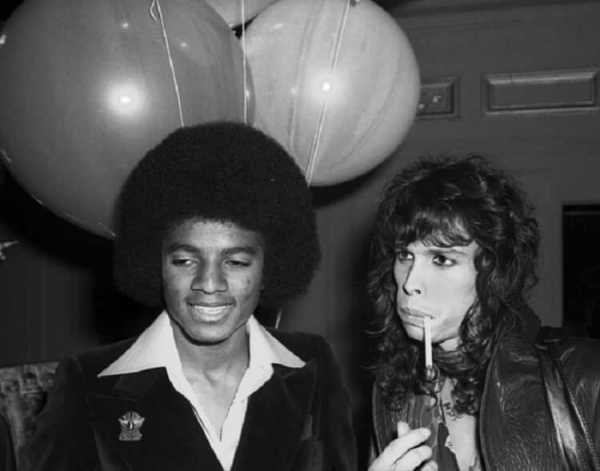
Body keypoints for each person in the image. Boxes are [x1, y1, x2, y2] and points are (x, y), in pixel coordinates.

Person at [23, 122, 357, 471]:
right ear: (154, 263)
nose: (209, 283)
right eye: (185, 260)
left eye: (236, 262)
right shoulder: (86, 385)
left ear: (269, 268)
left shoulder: (313, 366)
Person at [366, 155, 600, 471]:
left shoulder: (583, 379)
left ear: (494, 271)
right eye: (405, 255)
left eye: (441, 259)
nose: (410, 283)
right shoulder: (392, 393)